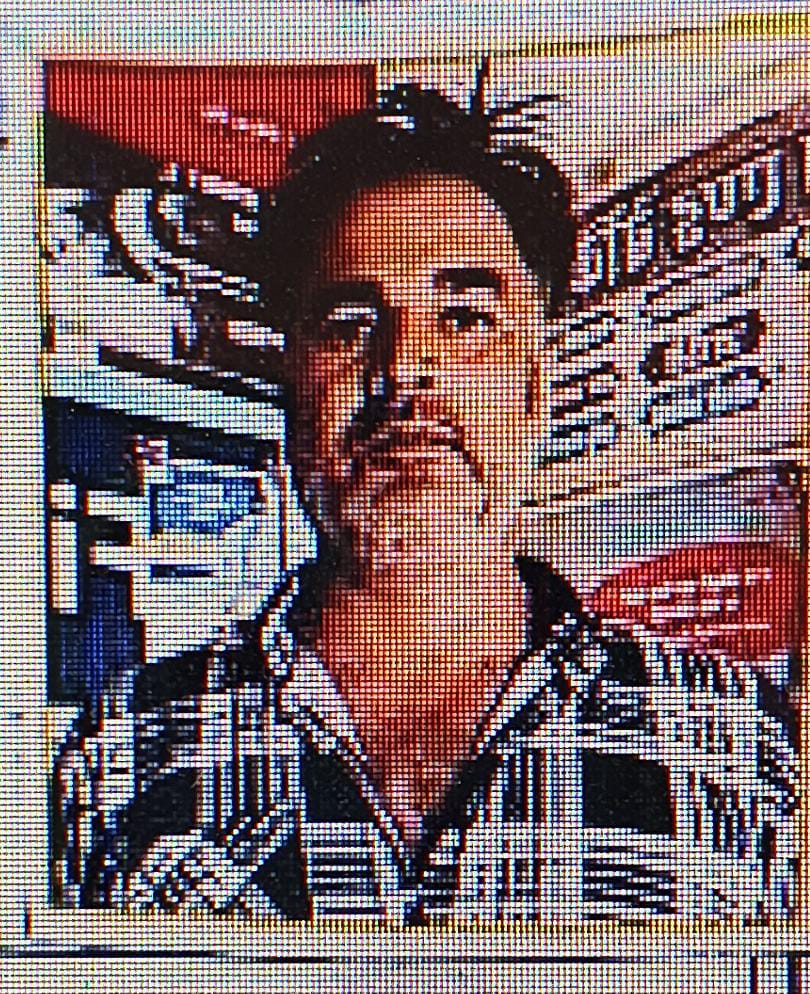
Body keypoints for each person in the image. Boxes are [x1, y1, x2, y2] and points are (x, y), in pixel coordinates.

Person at [55, 86, 798, 923]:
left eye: (466, 318)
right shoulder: (120, 756)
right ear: (290, 383)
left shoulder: (737, 745)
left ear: (537, 390)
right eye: (349, 323)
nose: (405, 366)